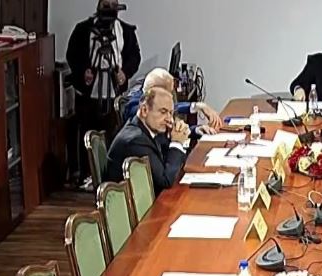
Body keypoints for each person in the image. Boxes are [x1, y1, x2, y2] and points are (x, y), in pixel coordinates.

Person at [66, 0, 141, 189]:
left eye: (113, 4)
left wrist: (125, 73)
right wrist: (83, 71)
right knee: (87, 134)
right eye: (105, 4)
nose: (109, 8)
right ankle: (86, 176)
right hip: (88, 95)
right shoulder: (82, 30)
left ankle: (110, 177)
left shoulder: (126, 31)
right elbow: (72, 55)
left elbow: (134, 56)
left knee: (112, 135)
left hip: (114, 93)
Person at [107, 87, 188, 193]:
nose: (170, 119)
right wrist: (177, 143)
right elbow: (165, 180)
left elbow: (171, 164)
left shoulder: (148, 129)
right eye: (163, 112)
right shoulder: (136, 140)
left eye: (171, 113)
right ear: (144, 110)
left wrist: (175, 136)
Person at [122, 67, 224, 131]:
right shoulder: (136, 107)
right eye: (169, 93)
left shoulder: (154, 105)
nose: (171, 98)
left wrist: (196, 129)